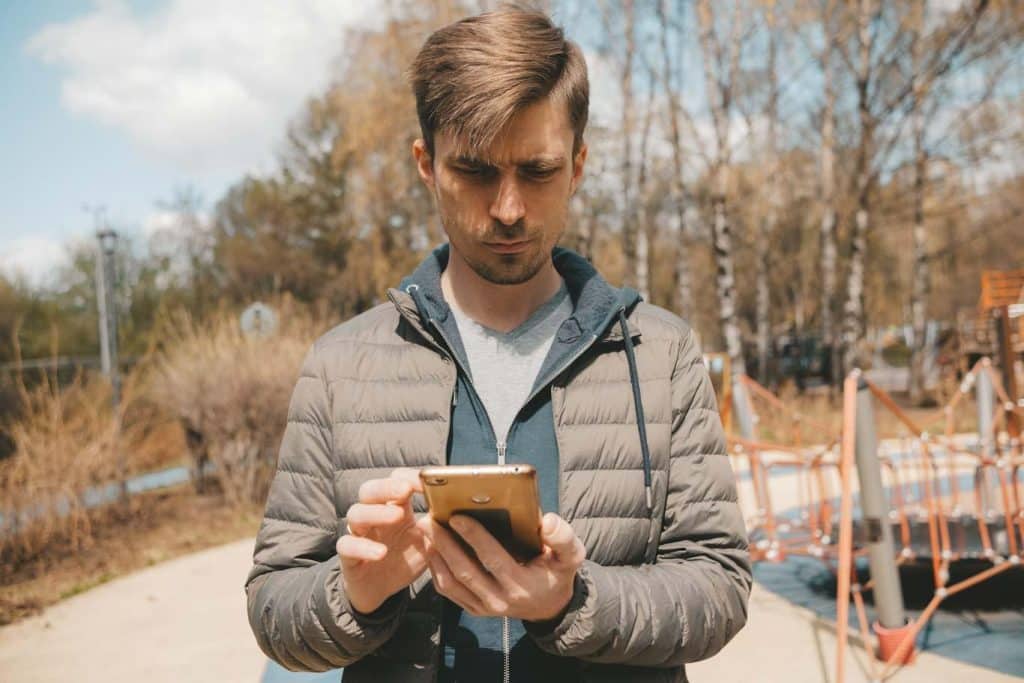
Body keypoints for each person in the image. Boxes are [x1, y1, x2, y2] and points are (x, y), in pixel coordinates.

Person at [245, 7, 751, 682]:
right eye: (476, 171)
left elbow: (719, 585)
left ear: (577, 166)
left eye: (537, 171)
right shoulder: (340, 364)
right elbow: (273, 606)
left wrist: (575, 602)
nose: (508, 208)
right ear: (426, 165)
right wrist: (357, 595)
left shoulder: (660, 354)